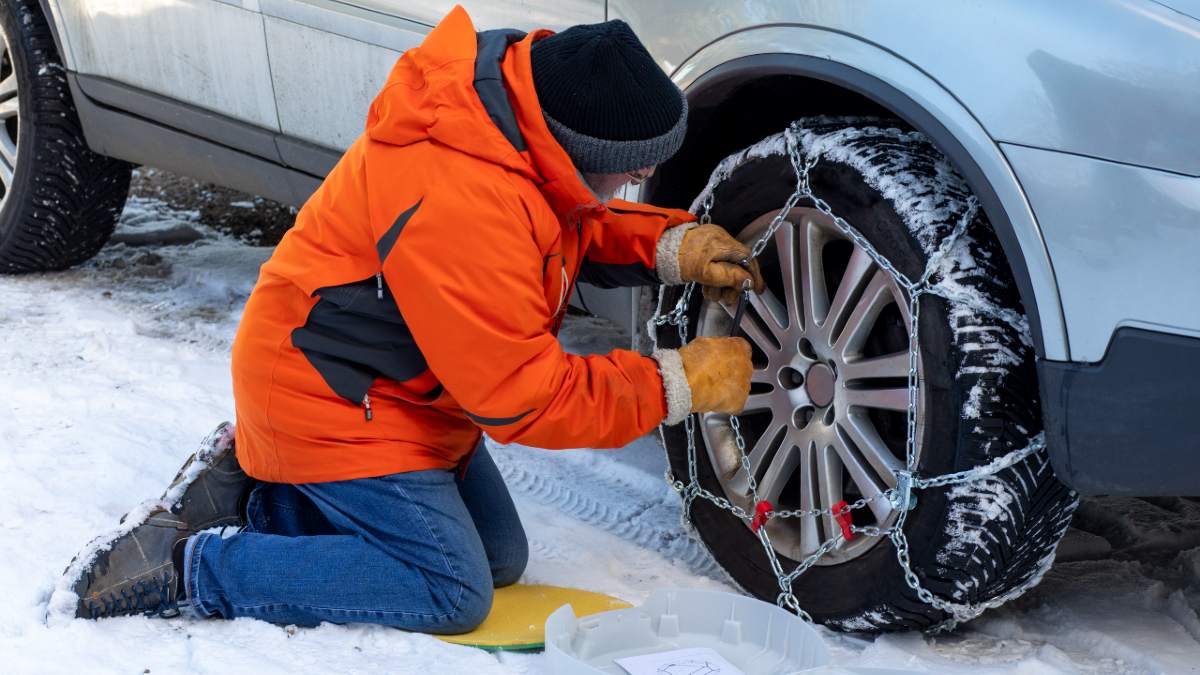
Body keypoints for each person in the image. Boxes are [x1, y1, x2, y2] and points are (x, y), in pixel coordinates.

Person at [69, 6, 763, 632]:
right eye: (629, 171)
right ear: (577, 150)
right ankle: (193, 563)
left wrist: (667, 246)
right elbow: (525, 396)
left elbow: (566, 215)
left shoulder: (513, 118)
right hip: (329, 399)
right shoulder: (464, 200)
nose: (636, 183)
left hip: (401, 393)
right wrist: (676, 383)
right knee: (452, 587)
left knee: (499, 555)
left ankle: (263, 493)